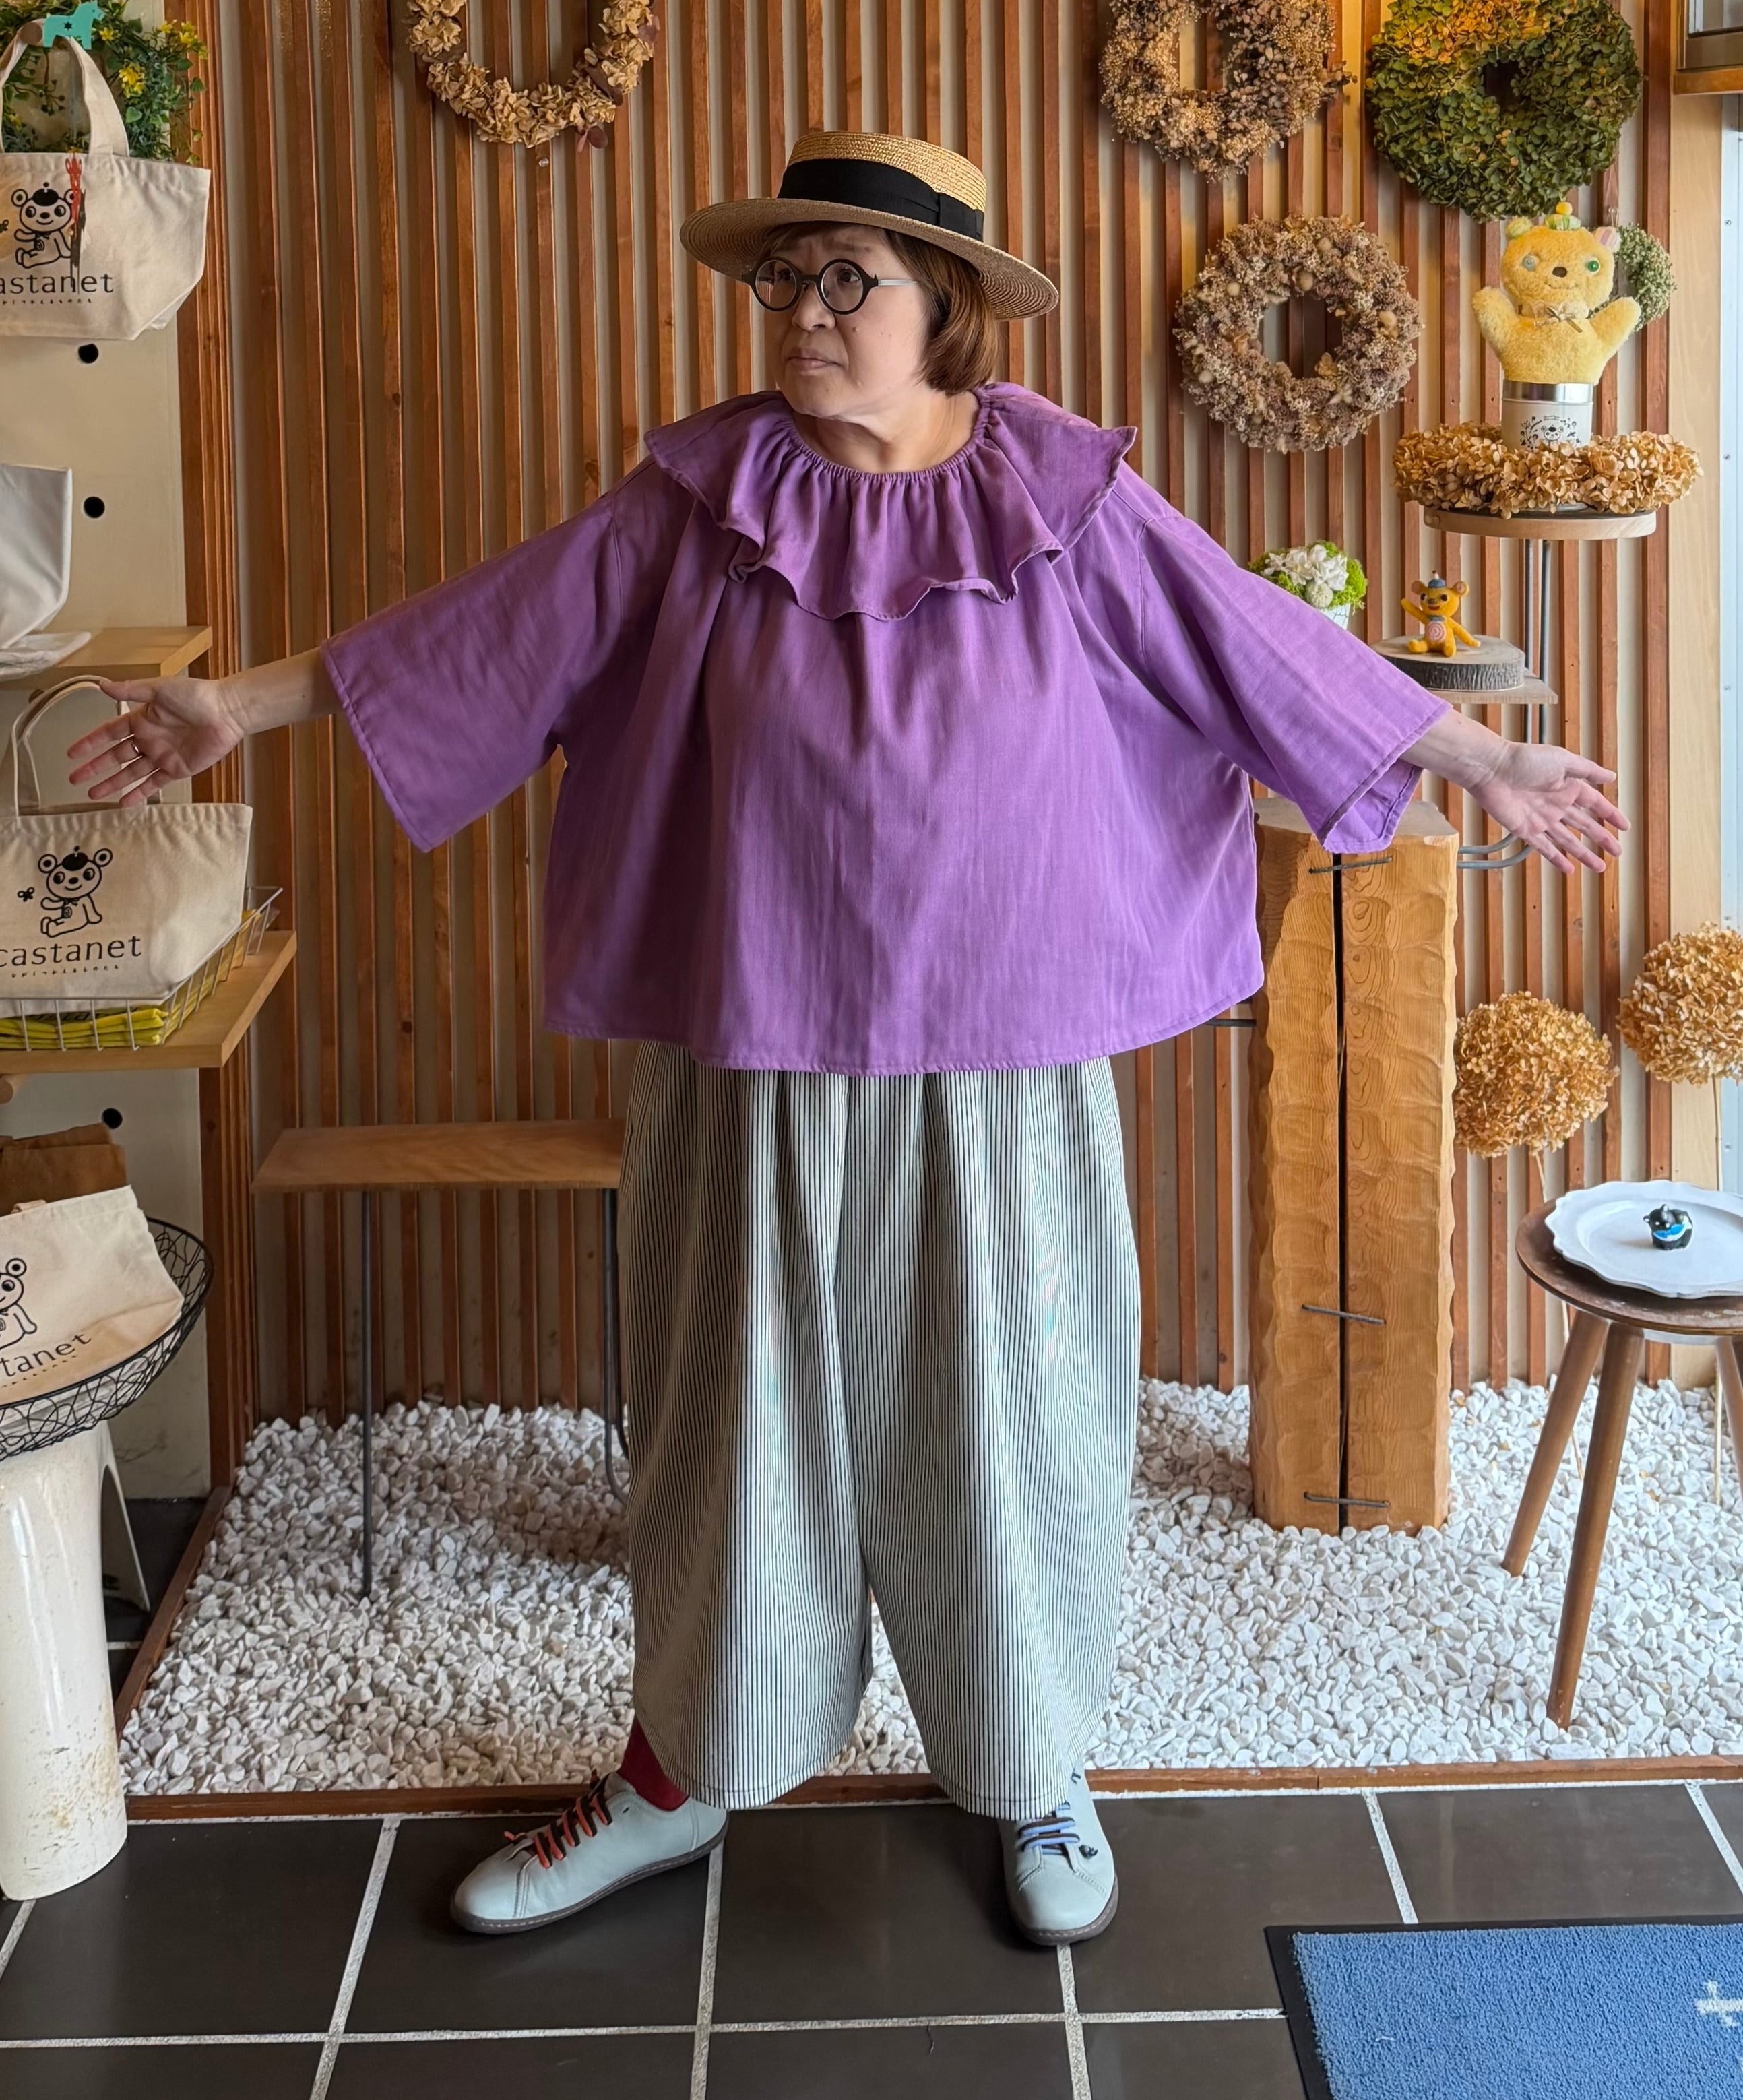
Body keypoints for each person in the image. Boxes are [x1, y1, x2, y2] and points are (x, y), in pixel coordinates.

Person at [68, 130, 1625, 1947]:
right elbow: (485, 633)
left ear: (941, 306)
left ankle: (1033, 1766)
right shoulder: (697, 495)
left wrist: (1484, 756)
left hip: (1001, 1055)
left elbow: (1251, 643)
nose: (799, 312)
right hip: (747, 1044)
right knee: (731, 1426)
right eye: (779, 279)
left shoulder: (1067, 492)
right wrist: (234, 708)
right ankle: (679, 1772)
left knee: (1008, 1414)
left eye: (843, 281)